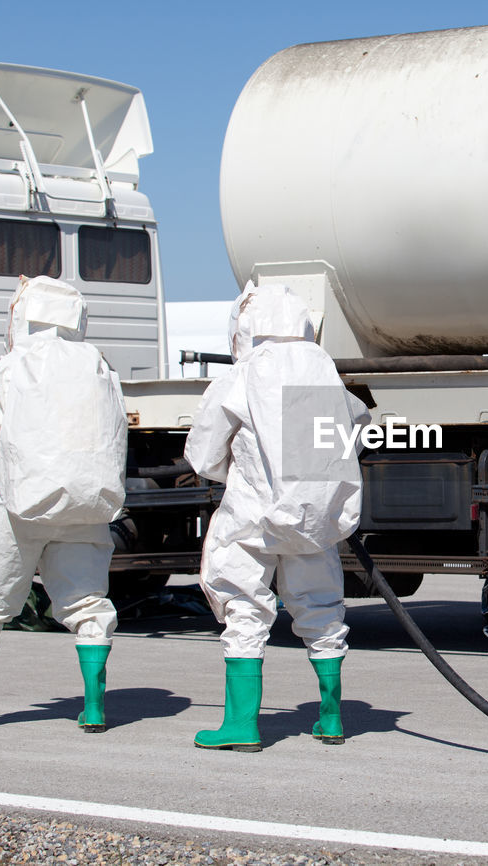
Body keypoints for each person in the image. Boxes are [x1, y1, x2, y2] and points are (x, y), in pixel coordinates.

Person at [0, 275, 127, 733]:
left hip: (17, 501)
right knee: (87, 602)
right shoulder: (99, 366)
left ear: (24, 315)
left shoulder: (13, 364)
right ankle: (96, 706)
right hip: (87, 503)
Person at [185, 282, 368, 751]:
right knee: (323, 611)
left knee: (244, 608)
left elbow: (203, 454)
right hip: (314, 519)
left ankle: (241, 726)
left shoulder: (244, 373)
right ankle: (331, 719)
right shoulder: (324, 372)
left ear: (247, 325)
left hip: (253, 517)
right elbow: (360, 428)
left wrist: (240, 471)